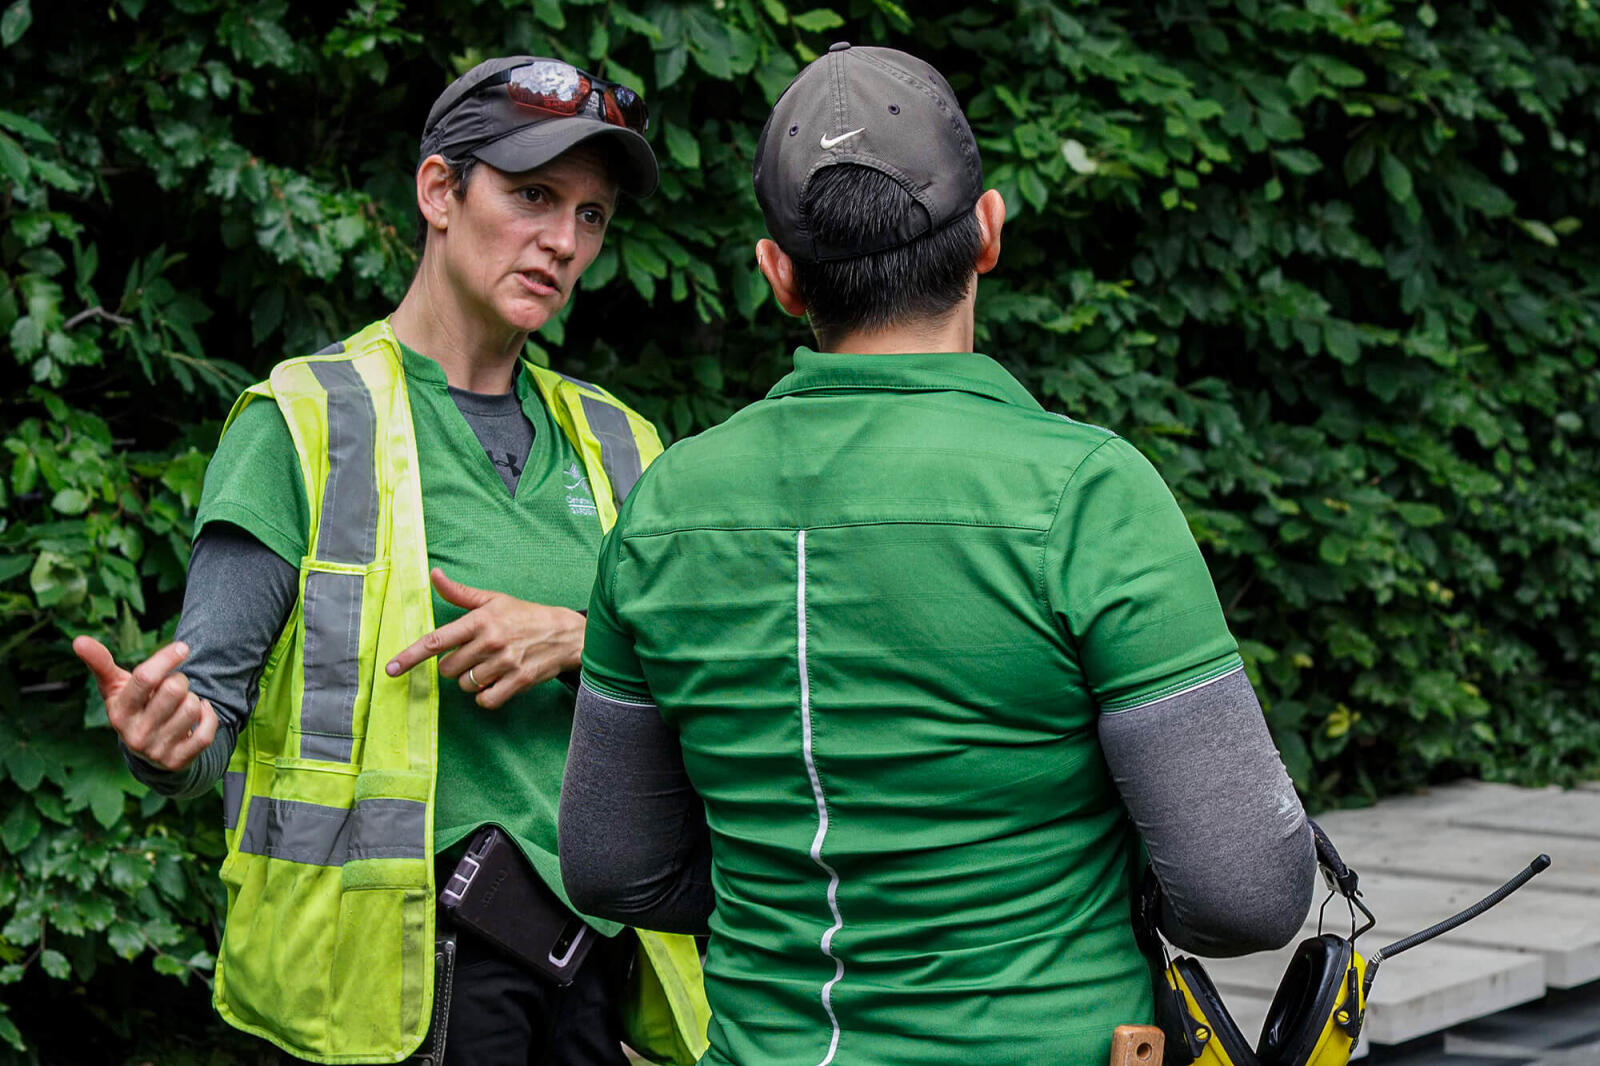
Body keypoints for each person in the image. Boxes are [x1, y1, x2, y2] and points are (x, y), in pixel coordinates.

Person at [558, 43, 1317, 1066]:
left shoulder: (664, 507)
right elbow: (1243, 893)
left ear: (777, 275)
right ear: (988, 232)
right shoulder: (1088, 494)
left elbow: (613, 868)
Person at [73, 55, 708, 1066]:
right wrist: (164, 741)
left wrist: (581, 639)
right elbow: (202, 727)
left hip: (595, 985)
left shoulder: (628, 445)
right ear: (439, 191)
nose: (561, 241)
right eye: (533, 195)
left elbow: (727, 702)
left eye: (590, 216)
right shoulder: (307, 420)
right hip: (394, 995)